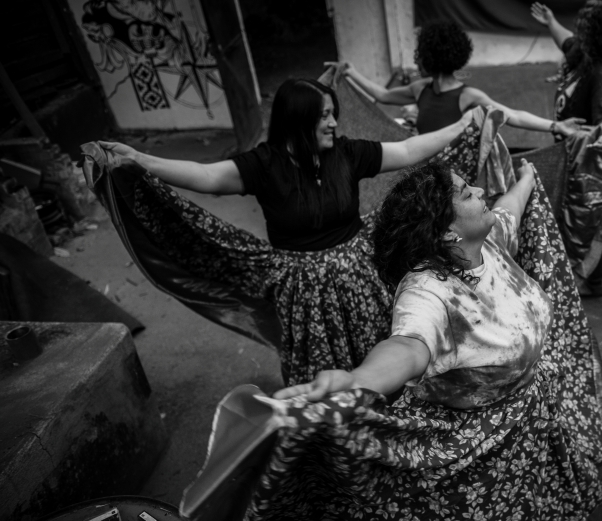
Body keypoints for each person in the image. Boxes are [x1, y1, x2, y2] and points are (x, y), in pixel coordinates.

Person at [185, 159, 602, 521]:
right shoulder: (428, 292)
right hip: (483, 447)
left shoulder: (490, 242)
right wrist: (358, 379)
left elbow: (511, 206)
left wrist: (526, 178)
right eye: (466, 193)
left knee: (533, 513)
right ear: (446, 232)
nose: (480, 192)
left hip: (532, 419)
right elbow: (409, 346)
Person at [94, 78, 474, 384]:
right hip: (305, 294)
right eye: (324, 115)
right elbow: (206, 176)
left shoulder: (346, 153)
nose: (334, 123)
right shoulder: (265, 165)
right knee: (324, 369)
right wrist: (140, 158)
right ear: (297, 119)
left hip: (364, 279)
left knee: (382, 349)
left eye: (333, 114)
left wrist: (461, 127)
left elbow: (407, 151)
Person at [531, 0, 602, 297]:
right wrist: (551, 21)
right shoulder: (584, 53)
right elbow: (565, 41)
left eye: (585, 29)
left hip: (600, 162)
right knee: (588, 219)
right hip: (582, 159)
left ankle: (589, 283)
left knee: (586, 221)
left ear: (597, 35)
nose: (579, 32)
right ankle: (592, 281)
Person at [332, 21, 585, 138]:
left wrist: (556, 126)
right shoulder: (419, 88)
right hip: (424, 167)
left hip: (454, 177)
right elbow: (383, 95)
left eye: (419, 56)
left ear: (430, 58)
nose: (416, 62)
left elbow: (512, 116)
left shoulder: (468, 96)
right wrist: (351, 72)